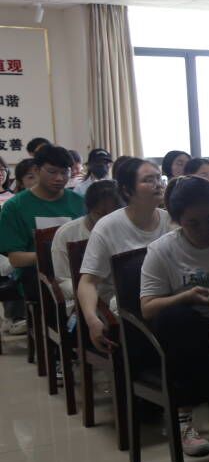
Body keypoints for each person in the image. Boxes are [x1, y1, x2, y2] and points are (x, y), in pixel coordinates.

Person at [139, 177, 209, 457]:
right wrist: (185, 297)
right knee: (176, 319)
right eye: (193, 224)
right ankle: (198, 423)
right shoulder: (163, 250)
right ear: (178, 221)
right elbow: (148, 307)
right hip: (191, 337)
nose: (205, 230)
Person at [77, 158, 171, 353]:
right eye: (148, 180)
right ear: (127, 191)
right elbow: (88, 282)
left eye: (159, 178)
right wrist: (92, 320)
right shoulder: (108, 227)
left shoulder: (171, 220)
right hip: (124, 307)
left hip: (163, 300)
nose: (158, 185)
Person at [0, 145, 86, 298]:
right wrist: (58, 255)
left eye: (64, 172)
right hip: (37, 278)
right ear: (37, 170)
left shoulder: (80, 203)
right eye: (52, 172)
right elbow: (16, 259)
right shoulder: (15, 207)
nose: (59, 178)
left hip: (79, 273)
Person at [53, 180, 121, 315]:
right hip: (84, 300)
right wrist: (88, 295)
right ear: (89, 209)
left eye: (113, 215)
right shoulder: (67, 234)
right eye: (101, 214)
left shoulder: (126, 228)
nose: (107, 220)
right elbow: (64, 280)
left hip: (119, 295)